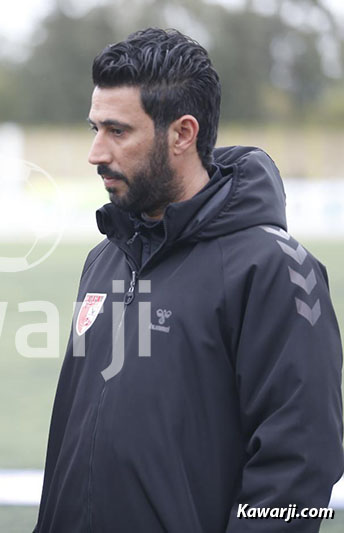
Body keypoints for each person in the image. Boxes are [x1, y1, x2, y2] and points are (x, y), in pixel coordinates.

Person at [35, 28, 343, 532]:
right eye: (94, 128)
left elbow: (301, 470)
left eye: (117, 131)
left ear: (182, 133)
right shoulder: (105, 258)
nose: (95, 152)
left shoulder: (275, 269)